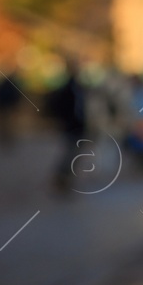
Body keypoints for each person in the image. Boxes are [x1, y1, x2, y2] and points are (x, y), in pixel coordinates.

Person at [47, 60, 87, 192]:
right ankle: (62, 177)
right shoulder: (69, 88)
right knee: (70, 153)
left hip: (78, 126)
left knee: (74, 153)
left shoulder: (79, 87)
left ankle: (66, 178)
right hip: (72, 126)